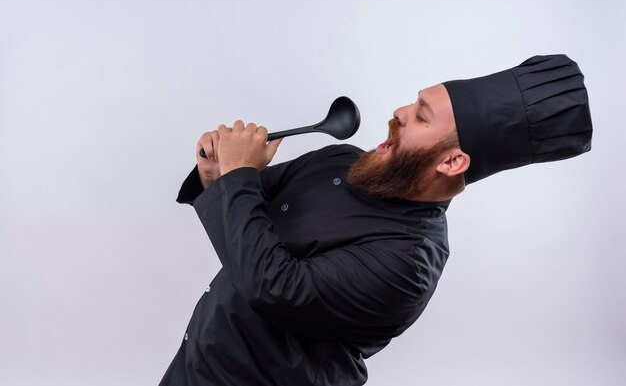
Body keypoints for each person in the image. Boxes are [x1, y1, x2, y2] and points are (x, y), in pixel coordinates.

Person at [159, 54, 592, 386]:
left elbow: (272, 287)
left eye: (422, 115)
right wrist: (219, 175)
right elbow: (244, 221)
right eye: (414, 101)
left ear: (453, 161)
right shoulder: (344, 159)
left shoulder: (407, 264)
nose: (401, 112)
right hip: (196, 364)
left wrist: (237, 176)